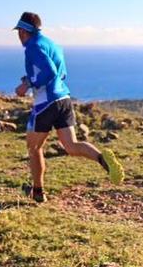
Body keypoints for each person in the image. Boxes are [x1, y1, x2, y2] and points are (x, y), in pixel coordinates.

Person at [13, 12, 124, 202]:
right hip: (63, 99)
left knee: (34, 148)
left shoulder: (32, 47)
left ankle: (38, 192)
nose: (18, 36)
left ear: (24, 31)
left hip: (45, 104)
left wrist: (28, 84)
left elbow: (49, 72)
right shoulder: (54, 45)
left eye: (19, 32)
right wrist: (31, 78)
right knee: (71, 146)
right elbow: (61, 74)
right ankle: (102, 160)